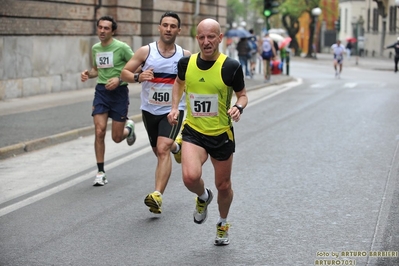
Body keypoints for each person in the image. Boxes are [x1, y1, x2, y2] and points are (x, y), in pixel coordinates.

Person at [167, 18, 248, 246]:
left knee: (224, 186)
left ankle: (222, 223)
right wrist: (174, 107)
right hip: (194, 131)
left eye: (211, 36)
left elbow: (243, 94)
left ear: (220, 38)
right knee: (190, 177)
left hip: (221, 135)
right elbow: (178, 83)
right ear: (197, 39)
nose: (206, 41)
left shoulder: (231, 67)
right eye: (201, 37)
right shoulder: (186, 63)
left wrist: (238, 106)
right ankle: (203, 197)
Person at [121, 12, 191, 214]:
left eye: (173, 26)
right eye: (165, 25)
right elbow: (124, 73)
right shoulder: (146, 51)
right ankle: (177, 148)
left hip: (173, 111)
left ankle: (157, 195)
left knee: (162, 149)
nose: (168, 29)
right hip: (149, 110)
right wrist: (138, 76)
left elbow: (194, 80)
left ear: (179, 30)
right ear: (159, 28)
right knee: (160, 151)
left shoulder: (184, 56)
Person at [81, 16, 136, 186]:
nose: (102, 31)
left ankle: (129, 128)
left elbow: (137, 65)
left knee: (117, 137)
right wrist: (88, 74)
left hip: (119, 93)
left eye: (106, 28)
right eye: (100, 28)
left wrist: (119, 79)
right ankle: (100, 172)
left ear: (113, 31)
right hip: (101, 92)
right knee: (99, 131)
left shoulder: (122, 48)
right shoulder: (96, 48)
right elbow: (97, 70)